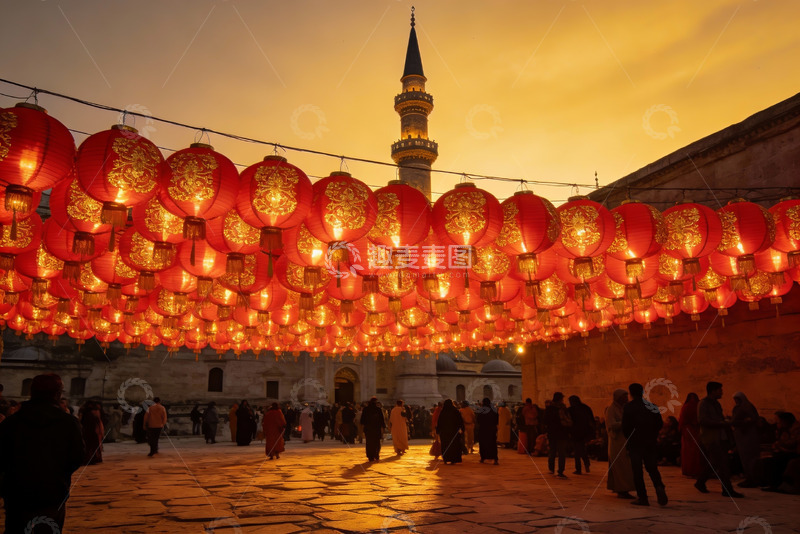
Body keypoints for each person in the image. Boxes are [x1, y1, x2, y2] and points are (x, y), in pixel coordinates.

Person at [0, 374, 85, 534]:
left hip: (17, 491)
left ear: (32, 392)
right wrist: (59, 474)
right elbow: (77, 456)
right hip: (53, 491)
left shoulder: (12, 422)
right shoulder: (68, 422)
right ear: (57, 394)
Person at [695, 381, 744, 498]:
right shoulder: (703, 404)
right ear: (713, 391)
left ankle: (700, 482)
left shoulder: (716, 404)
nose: (722, 392)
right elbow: (703, 420)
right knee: (722, 464)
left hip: (721, 437)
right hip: (711, 438)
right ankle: (727, 489)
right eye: (719, 390)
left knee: (716, 462)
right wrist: (721, 423)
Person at [622, 383, 668, 507]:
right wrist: (652, 435)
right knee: (652, 467)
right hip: (650, 442)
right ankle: (659, 486)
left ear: (631, 393)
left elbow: (625, 427)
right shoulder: (652, 406)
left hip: (635, 443)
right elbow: (659, 424)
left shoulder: (628, 407)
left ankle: (642, 497)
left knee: (637, 471)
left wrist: (630, 438)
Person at [606, 389, 635, 498]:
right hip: (617, 442)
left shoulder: (624, 408)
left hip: (625, 440)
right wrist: (625, 422)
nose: (626, 398)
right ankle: (622, 490)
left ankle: (619, 487)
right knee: (621, 466)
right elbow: (611, 425)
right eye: (624, 396)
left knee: (625, 466)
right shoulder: (611, 409)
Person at [731, 392, 760, 487]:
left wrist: (743, 422)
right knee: (744, 458)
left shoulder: (746, 407)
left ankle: (752, 478)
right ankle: (749, 477)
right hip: (741, 435)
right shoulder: (738, 407)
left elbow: (753, 419)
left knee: (750, 458)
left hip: (748, 435)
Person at [545, 392, 571, 478]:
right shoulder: (562, 408)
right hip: (561, 433)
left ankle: (551, 468)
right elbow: (567, 420)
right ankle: (560, 471)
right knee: (561, 453)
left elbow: (545, 421)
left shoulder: (549, 408)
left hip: (552, 433)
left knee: (552, 451)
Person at [678, 393, 703, 478]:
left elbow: (682, 420)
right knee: (696, 451)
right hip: (696, 430)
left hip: (687, 431)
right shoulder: (699, 406)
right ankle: (696, 470)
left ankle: (689, 470)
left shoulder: (685, 407)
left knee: (688, 452)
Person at [568, 395, 594, 474]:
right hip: (585, 431)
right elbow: (591, 419)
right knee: (581, 448)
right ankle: (586, 462)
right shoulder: (585, 408)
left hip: (575, 432)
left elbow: (569, 421)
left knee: (577, 450)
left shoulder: (571, 409)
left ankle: (578, 468)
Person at [437, 399, 465, 465]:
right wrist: (462, 428)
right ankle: (453, 459)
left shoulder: (443, 411)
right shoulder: (455, 411)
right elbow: (460, 420)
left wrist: (438, 430)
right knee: (454, 445)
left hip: (444, 432)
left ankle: (446, 458)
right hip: (454, 432)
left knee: (445, 445)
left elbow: (439, 422)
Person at [361, 397, 386, 462]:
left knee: (369, 442)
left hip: (368, 429)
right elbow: (382, 420)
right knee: (377, 442)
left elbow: (362, 420)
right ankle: (376, 454)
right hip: (376, 429)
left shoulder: (366, 409)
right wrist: (383, 427)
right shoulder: (378, 409)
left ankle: (370, 456)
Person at [81, 400, 105, 465]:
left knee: (92, 446)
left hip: (92, 432)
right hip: (91, 432)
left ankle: (93, 458)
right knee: (92, 446)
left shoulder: (89, 413)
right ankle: (93, 458)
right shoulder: (89, 413)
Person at [476, 398, 499, 464]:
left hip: (483, 429)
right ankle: (495, 458)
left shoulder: (481, 410)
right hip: (491, 429)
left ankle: (483, 458)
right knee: (492, 444)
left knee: (483, 444)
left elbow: (478, 420)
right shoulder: (494, 410)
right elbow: (497, 420)